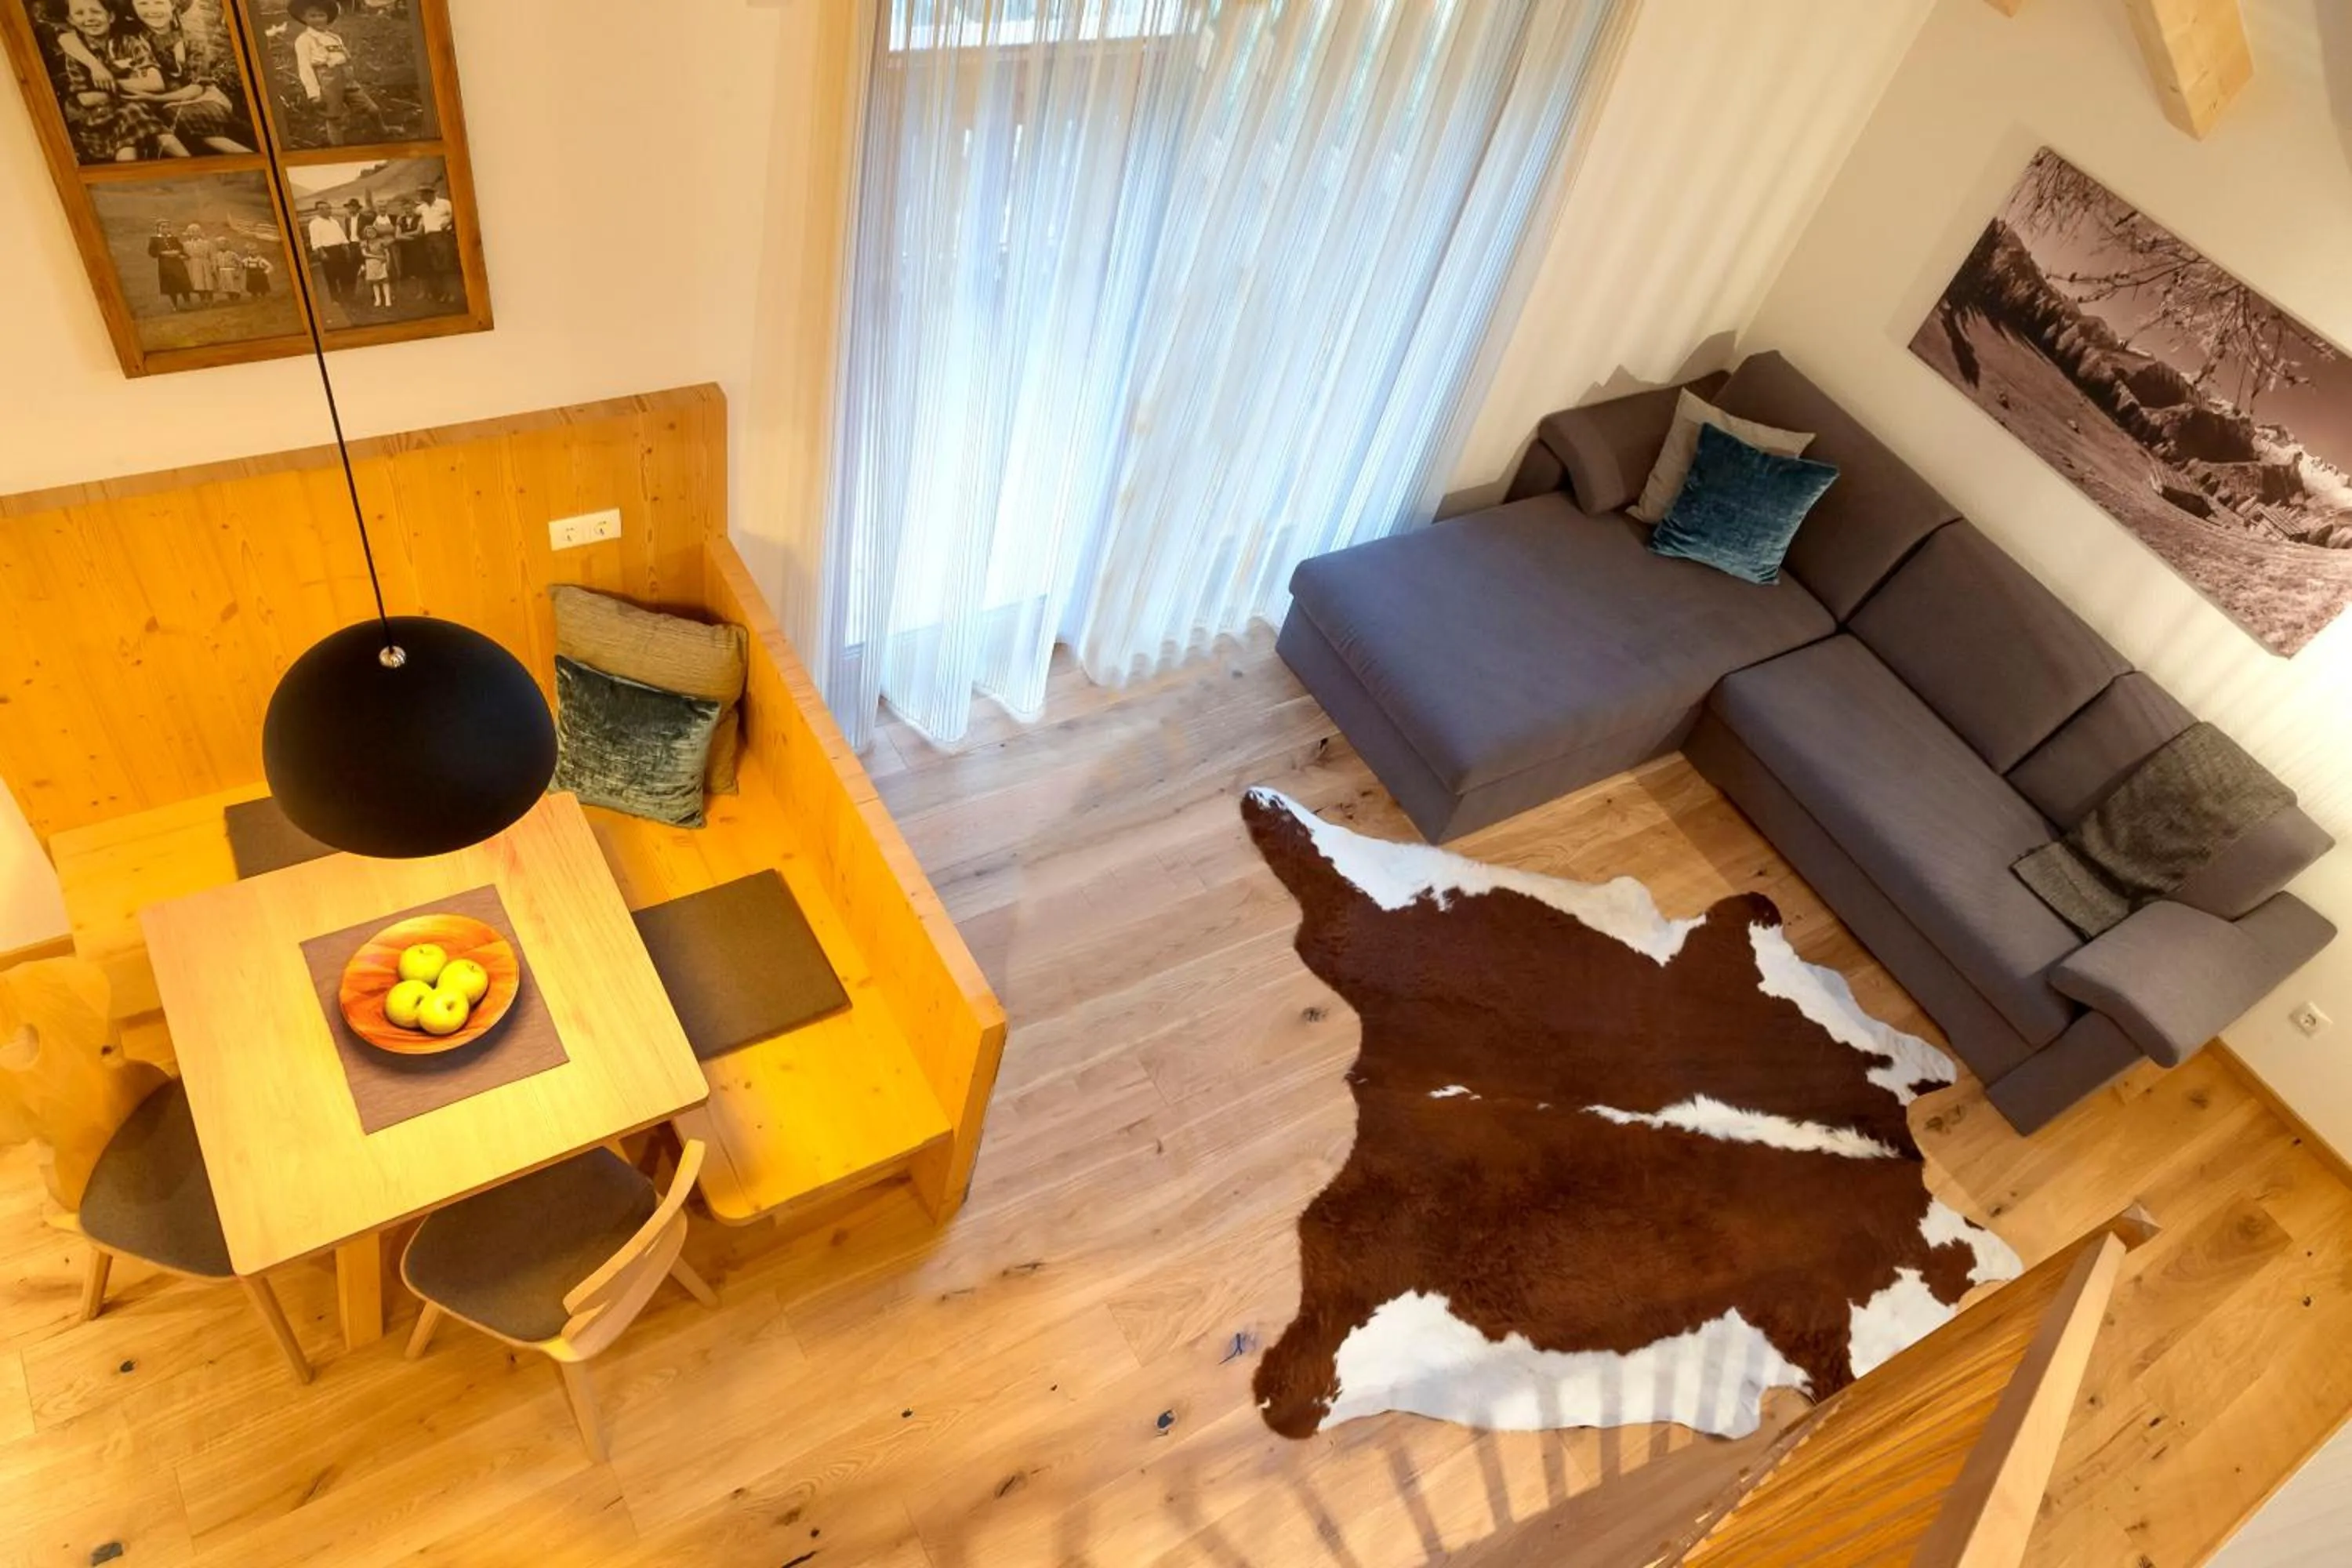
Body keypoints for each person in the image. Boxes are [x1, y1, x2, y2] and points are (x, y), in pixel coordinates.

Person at [49, 0, 185, 162]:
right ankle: (188, 160)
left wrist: (109, 82)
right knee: (134, 112)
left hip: (134, 114)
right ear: (71, 21)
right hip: (100, 122)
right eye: (80, 14)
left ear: (111, 17)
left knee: (131, 113)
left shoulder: (129, 42)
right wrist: (133, 83)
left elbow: (156, 84)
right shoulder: (77, 54)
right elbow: (86, 98)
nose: (90, 18)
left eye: (96, 12)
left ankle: (131, 171)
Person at [121, 0, 254, 154]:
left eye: (159, 2)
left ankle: (246, 155)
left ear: (173, 5)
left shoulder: (190, 40)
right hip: (158, 102)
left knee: (187, 118)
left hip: (195, 98)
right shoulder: (134, 41)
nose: (152, 10)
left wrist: (154, 98)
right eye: (143, 3)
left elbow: (196, 89)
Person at [289, 0, 383, 147]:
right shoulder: (304, 40)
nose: (318, 19)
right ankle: (337, 146)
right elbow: (305, 67)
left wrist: (349, 71)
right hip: (327, 81)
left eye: (321, 15)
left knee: (372, 109)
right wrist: (314, 93)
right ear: (303, 17)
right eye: (313, 16)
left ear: (327, 17)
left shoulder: (334, 37)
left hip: (346, 78)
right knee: (334, 118)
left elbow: (344, 57)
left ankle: (383, 130)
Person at [304, 199, 354, 303]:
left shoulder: (334, 221)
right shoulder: (315, 224)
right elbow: (315, 240)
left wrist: (346, 249)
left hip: (339, 249)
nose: (328, 210)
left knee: (344, 274)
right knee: (331, 276)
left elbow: (341, 236)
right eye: (325, 209)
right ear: (319, 211)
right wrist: (322, 253)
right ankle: (335, 298)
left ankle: (346, 296)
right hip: (327, 251)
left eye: (329, 208)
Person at [413, 180, 455, 303]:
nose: (421, 196)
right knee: (434, 267)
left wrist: (448, 222)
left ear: (430, 194)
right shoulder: (422, 207)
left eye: (422, 194)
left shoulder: (444, 204)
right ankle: (440, 294)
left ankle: (450, 293)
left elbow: (455, 214)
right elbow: (412, 212)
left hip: (442, 236)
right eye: (420, 194)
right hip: (429, 238)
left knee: (445, 266)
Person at [146, 219, 191, 308]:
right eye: (163, 227)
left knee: (183, 281)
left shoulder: (173, 238)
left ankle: (188, 302)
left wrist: (178, 252)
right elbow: (152, 252)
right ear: (158, 228)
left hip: (177, 263)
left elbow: (180, 248)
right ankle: (175, 305)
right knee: (170, 284)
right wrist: (162, 253)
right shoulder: (155, 239)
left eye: (167, 227)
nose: (165, 229)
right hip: (165, 265)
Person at [360, 219, 393, 309]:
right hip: (371, 263)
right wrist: (378, 257)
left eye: (373, 232)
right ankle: (378, 299)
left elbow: (387, 253)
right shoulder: (364, 243)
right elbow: (364, 254)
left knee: (384, 280)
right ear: (366, 234)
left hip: (382, 263)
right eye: (369, 232)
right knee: (375, 282)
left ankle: (387, 299)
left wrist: (388, 261)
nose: (371, 234)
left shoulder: (381, 241)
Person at [180, 220, 214, 300]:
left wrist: (213, 264)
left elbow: (212, 255)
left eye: (197, 231)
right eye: (192, 232)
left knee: (207, 281)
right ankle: (202, 299)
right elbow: (184, 255)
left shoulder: (206, 243)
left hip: (205, 263)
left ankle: (210, 298)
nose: (195, 234)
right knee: (198, 282)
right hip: (193, 265)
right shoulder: (186, 245)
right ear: (189, 233)